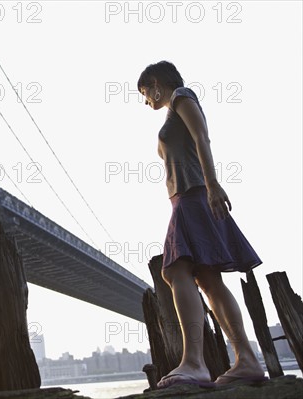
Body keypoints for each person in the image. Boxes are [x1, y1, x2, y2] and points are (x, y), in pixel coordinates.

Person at [137, 61, 266, 389]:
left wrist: (212, 185)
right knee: (207, 279)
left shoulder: (181, 96)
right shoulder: (172, 111)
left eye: (144, 93)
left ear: (156, 83)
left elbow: (202, 138)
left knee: (176, 270)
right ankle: (247, 360)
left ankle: (194, 363)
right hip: (185, 198)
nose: (145, 101)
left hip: (194, 195)